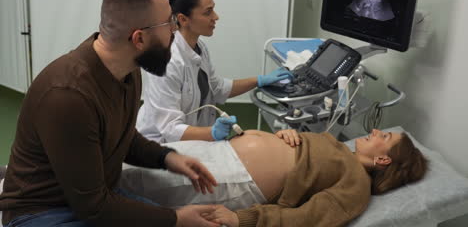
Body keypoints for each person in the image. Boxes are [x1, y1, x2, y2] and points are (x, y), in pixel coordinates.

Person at [0, 0, 221, 227]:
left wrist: (168, 158)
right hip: (41, 212)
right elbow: (94, 208)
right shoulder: (67, 96)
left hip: (90, 200)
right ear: (139, 39)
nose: (174, 30)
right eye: (168, 23)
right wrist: (176, 219)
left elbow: (122, 136)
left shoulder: (128, 69)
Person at [119, 128, 428, 227]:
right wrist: (286, 133)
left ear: (383, 159)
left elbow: (305, 218)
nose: (375, 131)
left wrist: (244, 219)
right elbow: (296, 145)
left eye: (383, 136)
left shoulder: (356, 186)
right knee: (125, 164)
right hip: (215, 151)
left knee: (129, 184)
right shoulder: (336, 144)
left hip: (232, 179)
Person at [136, 0, 293, 143]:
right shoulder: (168, 63)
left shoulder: (199, 47)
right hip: (158, 145)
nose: (216, 17)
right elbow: (169, 128)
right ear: (183, 19)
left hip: (189, 141)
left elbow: (217, 88)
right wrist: (213, 132)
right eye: (208, 12)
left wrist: (259, 80)